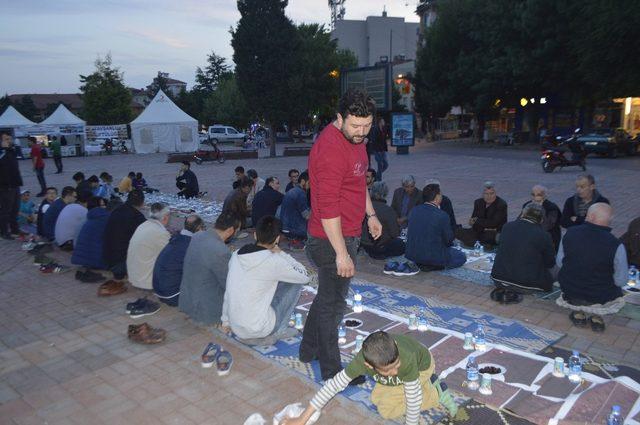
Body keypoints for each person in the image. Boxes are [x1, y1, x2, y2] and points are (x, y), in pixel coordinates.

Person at [299, 89, 382, 382]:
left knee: (326, 298)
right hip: (329, 239)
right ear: (339, 118)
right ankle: (333, 371)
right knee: (334, 305)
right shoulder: (330, 151)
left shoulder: (356, 140)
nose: (361, 133)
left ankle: (308, 350)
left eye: (367, 126)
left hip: (346, 232)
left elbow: (359, 182)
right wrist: (342, 253)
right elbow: (327, 209)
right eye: (355, 126)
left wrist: (370, 214)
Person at [282, 331, 457, 425]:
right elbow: (333, 386)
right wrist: (302, 419)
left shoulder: (406, 360)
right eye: (387, 370)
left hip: (421, 368)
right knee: (376, 398)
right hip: (402, 371)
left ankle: (435, 391)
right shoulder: (361, 361)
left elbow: (413, 399)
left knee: (387, 411)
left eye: (396, 365)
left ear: (395, 347)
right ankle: (425, 387)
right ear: (369, 366)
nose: (394, 372)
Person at [222, 216, 310, 342]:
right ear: (277, 239)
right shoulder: (274, 261)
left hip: (236, 326)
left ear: (255, 235)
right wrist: (281, 253)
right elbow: (305, 276)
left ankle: (254, 331)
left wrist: (225, 321)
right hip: (259, 328)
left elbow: (229, 291)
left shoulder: (236, 254)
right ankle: (280, 330)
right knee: (295, 283)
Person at [557, 203, 627, 332]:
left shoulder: (570, 233)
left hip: (571, 290)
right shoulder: (616, 244)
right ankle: (596, 316)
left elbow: (560, 262)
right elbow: (621, 280)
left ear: (590, 216)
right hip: (601, 295)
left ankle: (578, 313)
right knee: (613, 284)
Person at [179, 211, 241, 326]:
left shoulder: (198, 236)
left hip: (188, 300)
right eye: (237, 231)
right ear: (231, 230)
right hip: (205, 310)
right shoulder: (220, 250)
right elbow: (228, 284)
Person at [490, 203, 556, 304]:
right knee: (557, 271)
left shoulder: (507, 227)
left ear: (522, 214)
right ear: (542, 219)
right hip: (526, 285)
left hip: (498, 279)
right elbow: (550, 263)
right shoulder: (544, 235)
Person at [405, 184, 466, 270]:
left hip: (413, 255)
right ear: (437, 197)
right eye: (441, 194)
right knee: (461, 256)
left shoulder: (414, 210)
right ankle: (434, 265)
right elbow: (448, 240)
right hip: (433, 257)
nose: (442, 196)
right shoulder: (442, 215)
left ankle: (426, 263)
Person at [152, 215, 204, 307]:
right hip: (173, 296)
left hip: (159, 291)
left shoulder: (177, 238)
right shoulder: (191, 245)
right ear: (199, 228)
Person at [103, 189, 146, 283]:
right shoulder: (137, 217)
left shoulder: (116, 211)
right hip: (121, 264)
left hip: (108, 259)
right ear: (142, 203)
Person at [127, 202, 171, 290]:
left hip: (134, 276)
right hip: (146, 282)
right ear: (165, 217)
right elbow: (171, 254)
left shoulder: (142, 226)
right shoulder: (160, 233)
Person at [455, 181, 508, 247]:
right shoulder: (478, 202)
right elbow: (472, 221)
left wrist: (477, 221)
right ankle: (477, 244)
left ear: (495, 194)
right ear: (483, 194)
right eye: (486, 194)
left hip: (494, 233)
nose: (489, 196)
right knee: (458, 231)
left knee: (490, 236)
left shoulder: (501, 204)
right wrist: (479, 223)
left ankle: (476, 243)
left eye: (492, 194)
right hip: (478, 231)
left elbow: (493, 223)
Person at [361, 182, 405, 259]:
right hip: (378, 247)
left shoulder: (363, 207)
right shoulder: (387, 210)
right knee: (401, 243)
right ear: (385, 194)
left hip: (364, 243)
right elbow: (395, 234)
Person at [72, 197, 111, 271]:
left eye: (104, 205)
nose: (105, 207)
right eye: (102, 205)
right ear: (96, 207)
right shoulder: (104, 218)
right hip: (97, 261)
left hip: (82, 260)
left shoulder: (90, 217)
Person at [523, 185, 562, 252]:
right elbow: (520, 221)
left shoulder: (551, 207)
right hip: (531, 238)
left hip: (549, 239)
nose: (535, 197)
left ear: (544, 196)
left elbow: (548, 225)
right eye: (533, 194)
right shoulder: (527, 205)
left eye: (539, 195)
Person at [280, 171, 310, 243]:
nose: (310, 186)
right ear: (303, 181)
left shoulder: (292, 190)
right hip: (294, 230)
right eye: (309, 183)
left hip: (285, 227)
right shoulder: (300, 193)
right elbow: (307, 216)